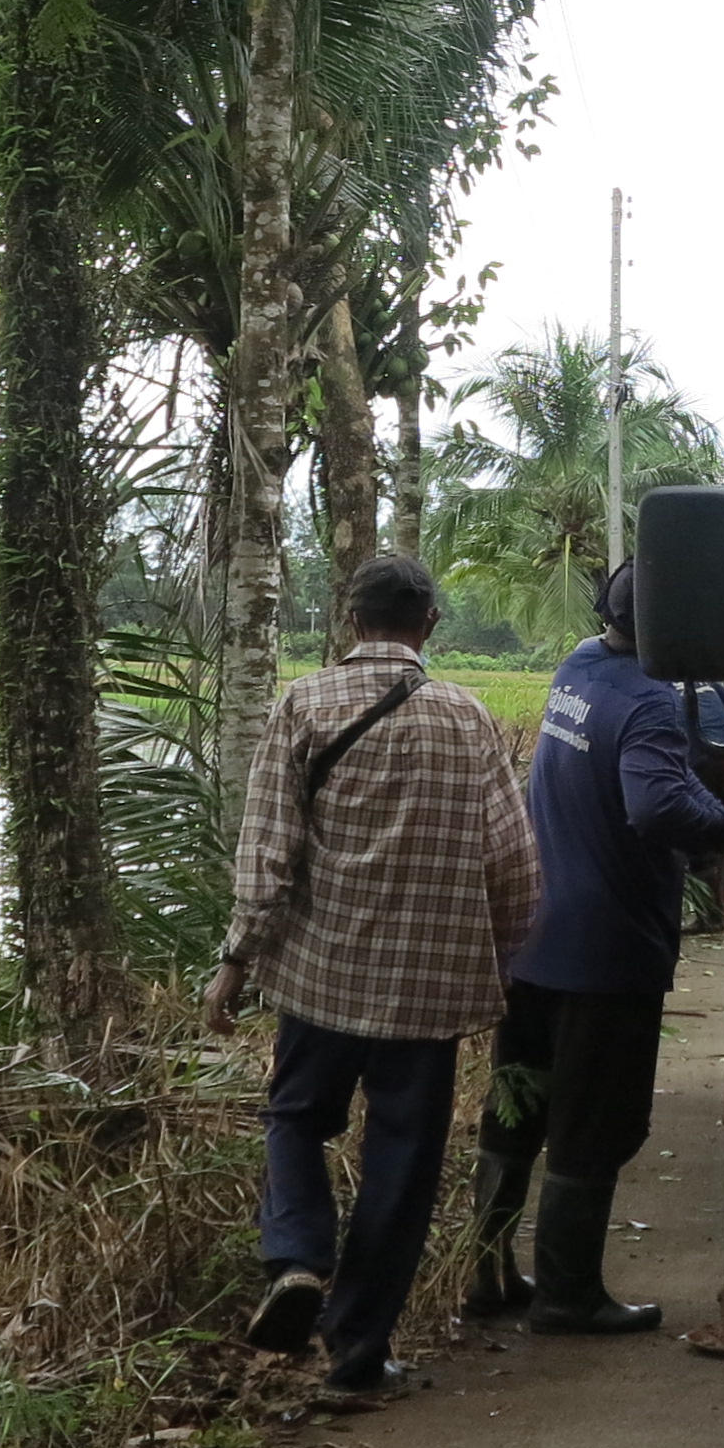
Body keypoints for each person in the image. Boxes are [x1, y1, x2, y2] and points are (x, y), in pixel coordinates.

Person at [211, 555, 539, 1404]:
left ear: (351, 621)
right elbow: (514, 864)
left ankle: (297, 1258)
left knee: (294, 1118)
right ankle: (357, 1355)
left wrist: (237, 959)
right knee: (402, 1162)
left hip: (320, 977)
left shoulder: (304, 704)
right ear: (428, 622)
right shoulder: (469, 719)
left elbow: (268, 853)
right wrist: (496, 955)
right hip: (428, 994)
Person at [460, 561, 724, 1335]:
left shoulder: (581, 666)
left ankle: (486, 1277)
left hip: (536, 935)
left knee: (517, 1113)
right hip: (606, 948)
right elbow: (656, 805)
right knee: (594, 1122)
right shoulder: (652, 703)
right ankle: (568, 1294)